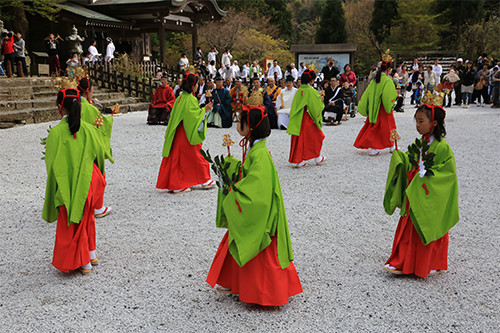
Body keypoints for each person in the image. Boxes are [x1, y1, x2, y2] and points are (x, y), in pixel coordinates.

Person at [206, 106, 303, 306]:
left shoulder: (260, 156)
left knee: (252, 238)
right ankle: (233, 281)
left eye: (240, 120)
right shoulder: (255, 149)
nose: (237, 124)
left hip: (262, 214)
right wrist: (233, 169)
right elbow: (250, 177)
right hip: (258, 209)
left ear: (249, 127)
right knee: (240, 234)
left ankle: (264, 293)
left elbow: (257, 191)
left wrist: (235, 190)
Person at [383, 104, 459, 278]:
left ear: (434, 123)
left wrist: (428, 177)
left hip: (428, 193)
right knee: (409, 228)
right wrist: (400, 157)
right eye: (416, 121)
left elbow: (448, 175)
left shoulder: (442, 147)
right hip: (416, 192)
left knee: (428, 226)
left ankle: (431, 262)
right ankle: (403, 261)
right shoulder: (420, 143)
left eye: (421, 121)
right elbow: (411, 163)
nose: (417, 125)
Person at [42, 88, 107, 274]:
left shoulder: (56, 133)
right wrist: (99, 178)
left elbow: (52, 165)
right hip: (89, 182)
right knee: (87, 219)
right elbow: (100, 155)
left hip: (67, 185)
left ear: (59, 107)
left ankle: (83, 262)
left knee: (70, 223)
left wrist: (54, 188)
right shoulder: (88, 129)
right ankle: (91, 253)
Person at [156, 73, 215, 193]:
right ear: (193, 85)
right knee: (195, 154)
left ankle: (178, 183)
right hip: (187, 132)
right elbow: (193, 117)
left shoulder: (181, 97)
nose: (198, 86)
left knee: (180, 157)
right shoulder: (190, 99)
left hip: (180, 131)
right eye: (197, 84)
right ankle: (202, 179)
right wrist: (205, 110)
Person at [77, 77, 114, 218]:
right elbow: (99, 125)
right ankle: (96, 207)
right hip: (89, 146)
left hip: (76, 145)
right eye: (92, 90)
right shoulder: (89, 108)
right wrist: (110, 118)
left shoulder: (76, 104)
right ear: (87, 91)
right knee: (97, 177)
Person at [353, 60, 397, 156]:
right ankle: (392, 146)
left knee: (375, 127)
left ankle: (374, 148)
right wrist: (392, 102)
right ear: (388, 69)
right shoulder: (387, 80)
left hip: (374, 108)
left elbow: (366, 94)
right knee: (389, 126)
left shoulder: (374, 80)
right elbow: (388, 96)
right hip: (384, 108)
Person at [287, 69, 326, 167]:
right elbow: (315, 107)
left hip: (298, 118)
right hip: (307, 118)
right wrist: (321, 101)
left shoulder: (299, 90)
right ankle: (316, 157)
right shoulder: (311, 91)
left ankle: (300, 159)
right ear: (312, 80)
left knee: (299, 139)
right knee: (317, 136)